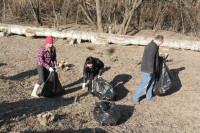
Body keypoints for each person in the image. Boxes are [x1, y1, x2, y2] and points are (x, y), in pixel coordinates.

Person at [132, 35, 164, 104]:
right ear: (159, 41)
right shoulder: (152, 47)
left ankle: (149, 97)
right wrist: (150, 71)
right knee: (144, 84)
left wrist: (160, 59)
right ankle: (135, 98)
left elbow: (154, 57)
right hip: (148, 70)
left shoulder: (154, 45)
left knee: (151, 82)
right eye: (161, 43)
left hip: (151, 69)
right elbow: (150, 60)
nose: (161, 44)